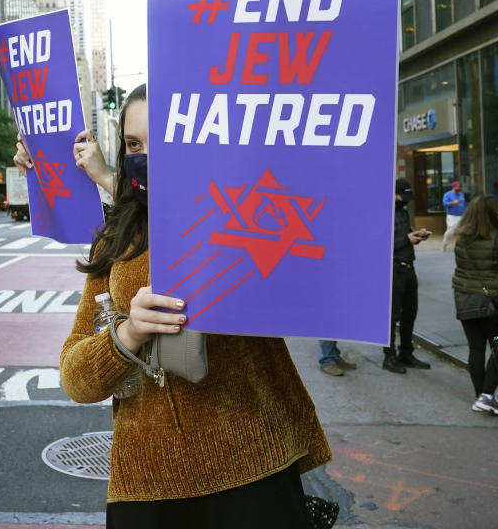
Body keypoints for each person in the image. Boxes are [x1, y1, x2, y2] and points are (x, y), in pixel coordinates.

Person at [59, 83, 330, 526]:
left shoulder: (242, 218)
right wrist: (126, 335)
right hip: (146, 490)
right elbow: (76, 380)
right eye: (133, 144)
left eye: (162, 141)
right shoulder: (113, 243)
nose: (145, 156)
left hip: (254, 470)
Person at [451, 195, 498, 416]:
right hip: (490, 303)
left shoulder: (462, 238)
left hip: (464, 299)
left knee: (476, 349)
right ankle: (486, 396)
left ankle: (482, 397)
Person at [384, 179, 433, 374]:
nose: (406, 201)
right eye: (403, 196)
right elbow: (382, 242)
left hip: (408, 266)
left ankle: (406, 352)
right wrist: (407, 239)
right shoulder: (384, 212)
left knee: (410, 312)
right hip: (394, 268)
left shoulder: (403, 212)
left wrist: (416, 236)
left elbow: (403, 239)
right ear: (394, 194)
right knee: (393, 314)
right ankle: (389, 356)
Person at [441, 180, 466, 252]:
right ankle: (445, 244)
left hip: (461, 215)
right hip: (452, 216)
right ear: (453, 187)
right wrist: (452, 203)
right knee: (450, 230)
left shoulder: (461, 194)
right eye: (456, 189)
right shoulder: (447, 194)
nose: (458, 190)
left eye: (459, 188)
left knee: (463, 231)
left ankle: (462, 246)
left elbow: (463, 204)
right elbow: (445, 203)